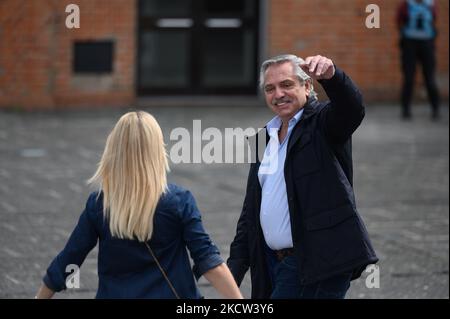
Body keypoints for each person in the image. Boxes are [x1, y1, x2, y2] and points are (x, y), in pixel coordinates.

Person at [35, 111, 243, 299]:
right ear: (157, 151)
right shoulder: (178, 201)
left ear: (114, 151)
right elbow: (208, 260)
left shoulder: (99, 205)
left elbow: (70, 259)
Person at [227, 54, 378, 299]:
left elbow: (352, 109)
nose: (278, 94)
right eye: (270, 88)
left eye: (286, 85)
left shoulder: (322, 123)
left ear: (307, 86)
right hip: (271, 262)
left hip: (318, 259)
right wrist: (233, 270)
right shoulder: (262, 138)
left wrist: (333, 77)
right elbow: (250, 209)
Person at [397, 0, 440, 120]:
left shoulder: (430, 4)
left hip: (426, 44)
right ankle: (405, 109)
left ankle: (435, 108)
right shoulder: (406, 4)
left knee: (429, 78)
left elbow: (433, 20)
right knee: (409, 78)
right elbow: (399, 20)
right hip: (409, 44)